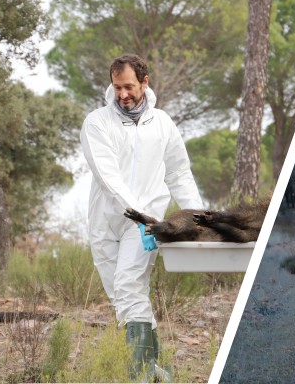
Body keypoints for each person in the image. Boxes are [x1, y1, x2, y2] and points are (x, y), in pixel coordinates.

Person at [81, 54, 204, 382]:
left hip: (146, 223)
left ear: (145, 82)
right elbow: (107, 176)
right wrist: (131, 211)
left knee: (129, 284)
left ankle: (139, 374)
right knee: (121, 295)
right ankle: (156, 370)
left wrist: (197, 217)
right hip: (105, 220)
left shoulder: (162, 123)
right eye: (117, 87)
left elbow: (179, 172)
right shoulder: (97, 122)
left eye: (129, 86)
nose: (123, 94)